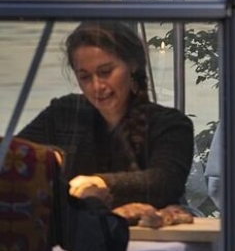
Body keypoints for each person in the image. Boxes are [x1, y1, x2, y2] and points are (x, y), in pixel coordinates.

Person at [17, 20, 194, 209]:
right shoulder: (63, 113)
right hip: (75, 237)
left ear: (132, 65)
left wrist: (101, 183)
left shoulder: (171, 125)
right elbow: (15, 155)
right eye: (85, 77)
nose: (96, 86)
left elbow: (165, 182)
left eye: (105, 72)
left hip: (152, 236)